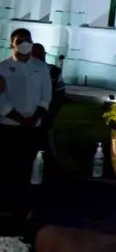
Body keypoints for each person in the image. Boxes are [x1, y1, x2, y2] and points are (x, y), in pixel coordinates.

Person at [0, 28, 52, 217]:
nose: (24, 43)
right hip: (9, 126)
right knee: (8, 166)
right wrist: (20, 119)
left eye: (27, 39)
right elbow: (1, 100)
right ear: (12, 44)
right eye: (19, 40)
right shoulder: (3, 68)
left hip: (33, 127)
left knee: (28, 166)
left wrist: (36, 116)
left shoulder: (40, 67)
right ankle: (7, 206)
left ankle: (24, 206)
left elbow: (46, 95)